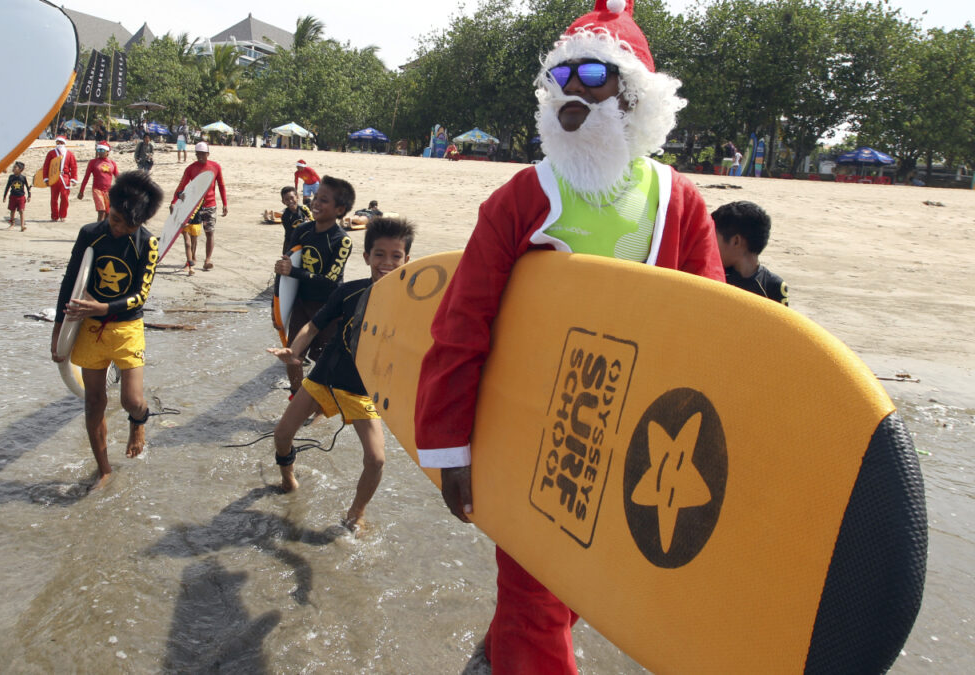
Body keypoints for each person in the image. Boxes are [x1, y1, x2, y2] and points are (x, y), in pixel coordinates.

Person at [414, 2, 724, 672]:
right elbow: (460, 327)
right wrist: (450, 448)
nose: (573, 91)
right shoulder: (521, 199)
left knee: (575, 585)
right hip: (532, 439)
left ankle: (500, 647)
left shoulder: (681, 202)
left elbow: (714, 335)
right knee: (536, 600)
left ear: (634, 94)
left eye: (594, 75)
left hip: (641, 439)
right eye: (561, 77)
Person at [268, 217, 415, 532]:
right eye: (379, 254)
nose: (387, 263)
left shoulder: (411, 307)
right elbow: (312, 326)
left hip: (362, 391)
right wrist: (293, 352)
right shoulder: (348, 292)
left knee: (376, 460)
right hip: (324, 378)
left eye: (396, 256)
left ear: (407, 260)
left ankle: (356, 513)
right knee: (281, 436)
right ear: (366, 258)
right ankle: (288, 479)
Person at [50, 172, 163, 491]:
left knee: (131, 399)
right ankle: (104, 470)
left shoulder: (148, 243)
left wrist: (102, 307)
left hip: (127, 328)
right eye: (114, 218)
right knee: (94, 401)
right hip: (88, 329)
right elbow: (71, 282)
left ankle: (139, 421)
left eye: (125, 225)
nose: (117, 227)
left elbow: (141, 294)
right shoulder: (89, 234)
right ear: (109, 207)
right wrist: (59, 331)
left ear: (138, 223)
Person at [274, 175, 355, 396]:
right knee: (293, 354)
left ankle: (320, 404)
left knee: (324, 360)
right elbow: (288, 267)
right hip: (302, 302)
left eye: (324, 200)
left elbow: (330, 280)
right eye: (316, 197)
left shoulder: (342, 240)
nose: (316, 203)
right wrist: (278, 310)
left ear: (340, 209)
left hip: (330, 307)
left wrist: (294, 271)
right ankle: (295, 396)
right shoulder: (302, 231)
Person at [712, 201, 788, 305]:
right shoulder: (712, 276)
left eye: (713, 238)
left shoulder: (772, 286)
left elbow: (779, 320)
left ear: (736, 241)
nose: (710, 245)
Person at [170, 141, 228, 273]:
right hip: (194, 206)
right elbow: (181, 186)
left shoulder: (215, 167)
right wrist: (173, 202)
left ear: (208, 154)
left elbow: (221, 186)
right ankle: (192, 260)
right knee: (193, 234)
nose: (200, 157)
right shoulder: (190, 168)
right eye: (198, 154)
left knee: (210, 232)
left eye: (203, 154)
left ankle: (208, 259)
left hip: (210, 204)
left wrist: (225, 203)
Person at [79, 143, 120, 223]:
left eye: (102, 150)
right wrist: (81, 191)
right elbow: (86, 177)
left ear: (107, 152)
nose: (100, 152)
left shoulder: (112, 163)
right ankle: (98, 231)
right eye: (98, 150)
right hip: (97, 189)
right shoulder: (92, 162)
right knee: (101, 211)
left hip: (108, 191)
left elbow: (118, 178)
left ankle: (106, 231)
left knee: (108, 213)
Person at [42, 136, 79, 221]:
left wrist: (73, 179)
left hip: (65, 177)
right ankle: (54, 216)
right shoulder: (51, 153)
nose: (59, 144)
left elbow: (73, 167)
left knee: (65, 197)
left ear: (64, 143)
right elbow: (46, 166)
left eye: (61, 142)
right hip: (54, 178)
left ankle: (63, 215)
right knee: (54, 198)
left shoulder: (69, 154)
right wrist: (46, 178)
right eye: (57, 142)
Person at [279, 185, 312, 253]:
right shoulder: (285, 216)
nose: (290, 201)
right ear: (283, 201)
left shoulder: (304, 209)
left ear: (297, 197)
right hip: (292, 244)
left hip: (307, 242)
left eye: (292, 198)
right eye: (287, 199)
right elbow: (291, 234)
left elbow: (313, 223)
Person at [3, 161, 31, 230]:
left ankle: (22, 226)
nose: (13, 168)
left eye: (15, 167)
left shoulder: (23, 178)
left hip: (21, 197)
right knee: (12, 211)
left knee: (21, 211)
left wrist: (29, 196)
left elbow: (27, 187)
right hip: (13, 196)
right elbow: (7, 187)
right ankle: (12, 224)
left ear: (20, 170)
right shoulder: (11, 177)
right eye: (13, 167)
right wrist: (4, 196)